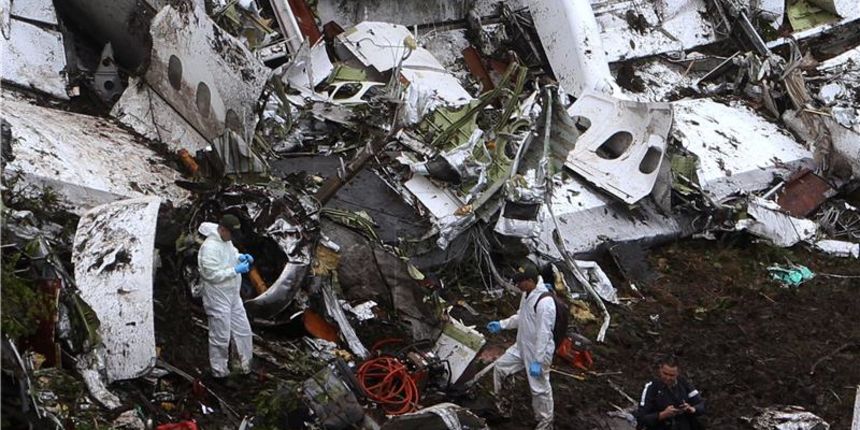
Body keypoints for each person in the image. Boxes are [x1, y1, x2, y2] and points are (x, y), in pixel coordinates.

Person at [487, 264, 556, 430]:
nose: (517, 286)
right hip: (521, 346)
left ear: (530, 281)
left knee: (539, 389)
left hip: (538, 351)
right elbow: (521, 317)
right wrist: (502, 325)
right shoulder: (526, 294)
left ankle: (545, 424)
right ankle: (504, 410)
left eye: (520, 282)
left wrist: (538, 361)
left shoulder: (545, 303)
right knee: (501, 368)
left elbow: (544, 334)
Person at [197, 214, 254, 378]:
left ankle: (244, 366)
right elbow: (211, 274)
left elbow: (231, 254)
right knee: (220, 336)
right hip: (217, 297)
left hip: (233, 295)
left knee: (243, 330)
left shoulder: (226, 240)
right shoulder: (208, 248)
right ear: (222, 229)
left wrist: (240, 258)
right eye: (231, 234)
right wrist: (234, 271)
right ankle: (219, 372)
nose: (232, 238)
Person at [635, 356, 705, 430]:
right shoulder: (651, 387)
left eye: (672, 375)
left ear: (678, 373)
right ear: (660, 369)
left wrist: (691, 409)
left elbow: (701, 405)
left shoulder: (684, 384)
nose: (668, 378)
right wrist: (663, 414)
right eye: (665, 374)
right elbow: (641, 418)